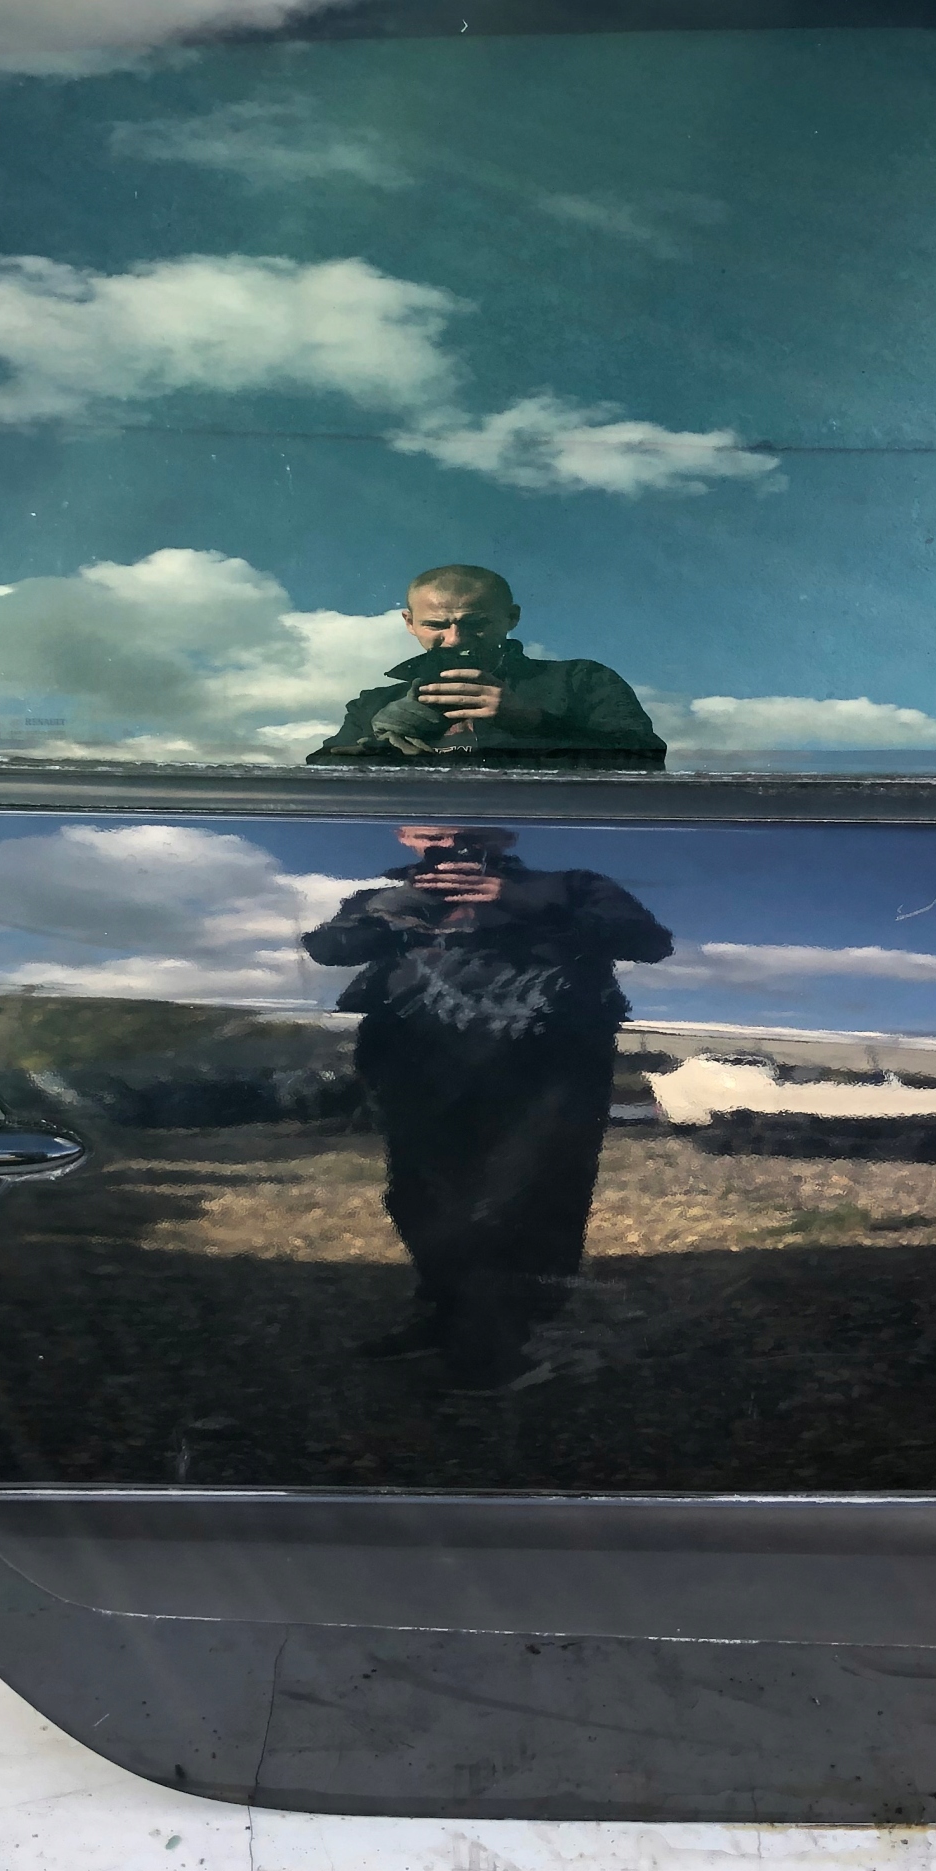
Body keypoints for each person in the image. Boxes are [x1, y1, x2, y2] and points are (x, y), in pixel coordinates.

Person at [302, 823, 673, 1389]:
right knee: (419, 1198)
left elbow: (649, 942)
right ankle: (446, 1316)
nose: (448, 843)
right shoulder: (382, 897)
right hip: (417, 1064)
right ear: (406, 837)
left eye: (466, 833)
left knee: (523, 1200)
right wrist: (398, 909)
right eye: (431, 833)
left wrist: (522, 902)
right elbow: (328, 950)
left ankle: (499, 1343)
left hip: (543, 1069)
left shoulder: (571, 886)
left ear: (502, 837)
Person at [307, 565, 665, 768]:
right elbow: (320, 779)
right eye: (436, 625)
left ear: (511, 618)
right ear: (410, 623)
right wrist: (382, 746)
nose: (455, 638)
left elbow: (646, 761)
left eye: (475, 623)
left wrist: (533, 722)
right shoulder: (372, 704)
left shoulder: (582, 681)